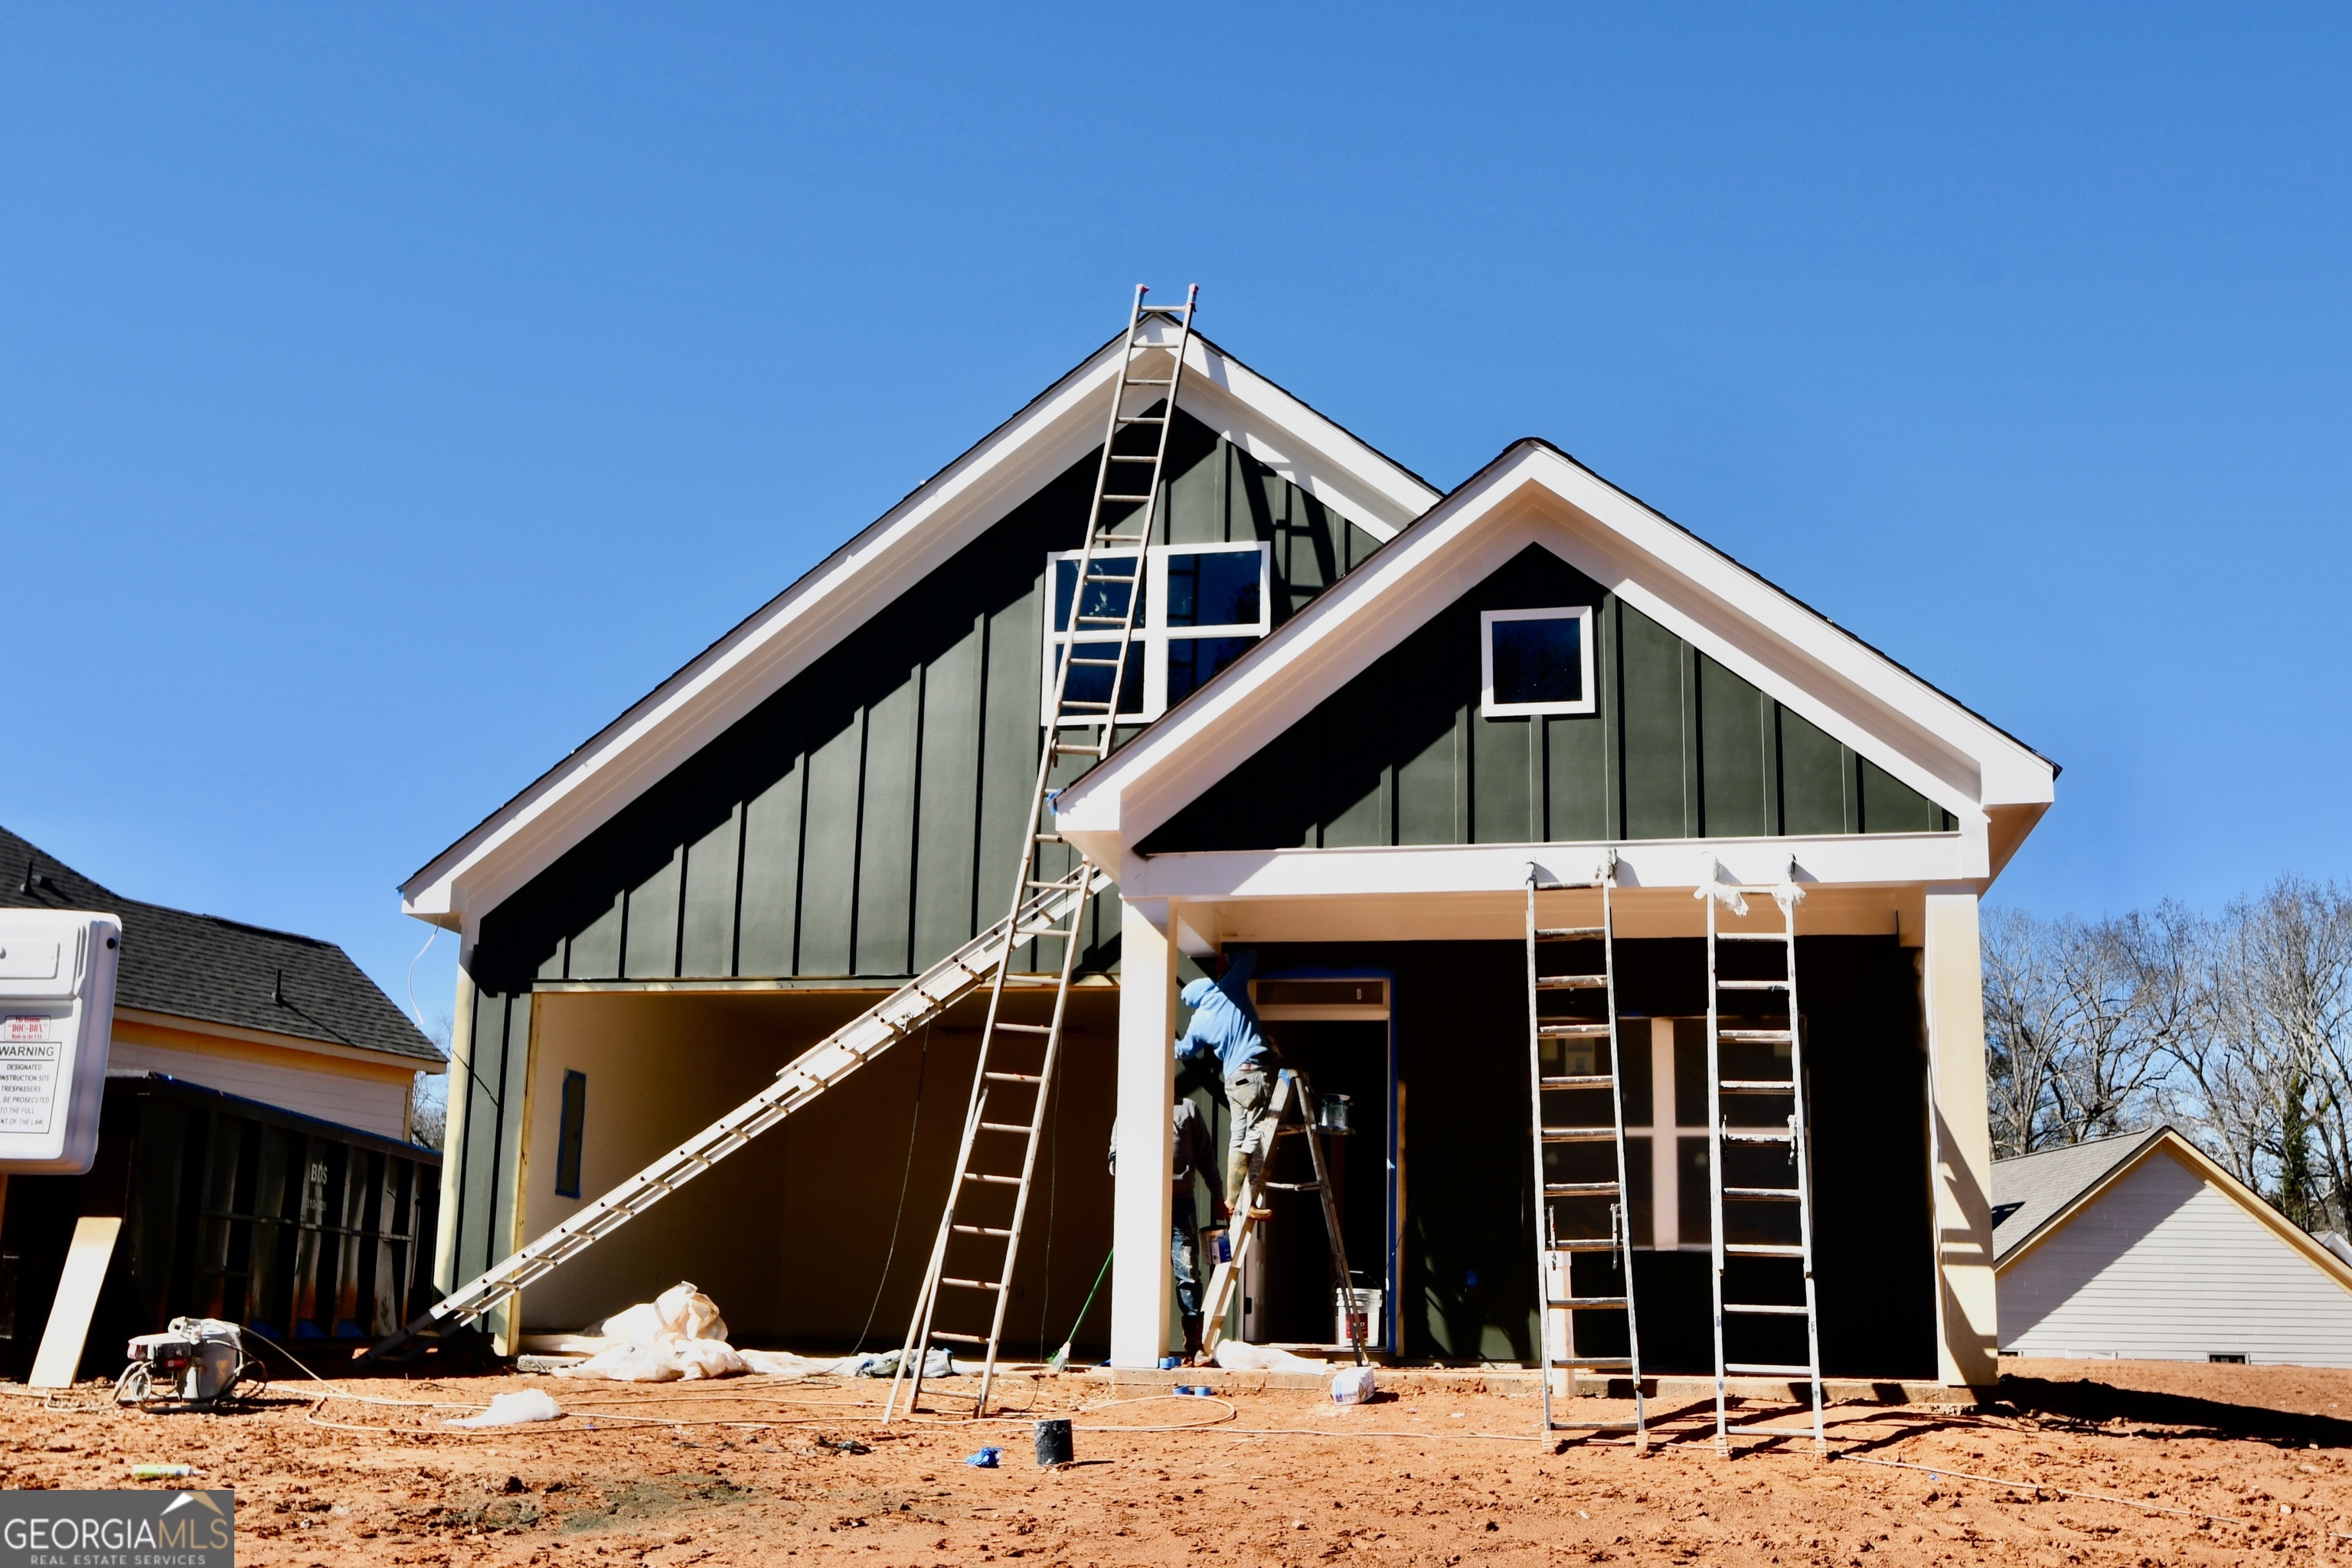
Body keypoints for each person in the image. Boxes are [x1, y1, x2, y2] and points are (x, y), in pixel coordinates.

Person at [1108, 1097, 1225, 1357]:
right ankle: (1137, 1346)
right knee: (1142, 1272)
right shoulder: (1133, 1103)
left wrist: (1217, 1194)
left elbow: (1205, 1155)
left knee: (1188, 1271)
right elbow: (1115, 1156)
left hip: (1180, 1201)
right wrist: (1126, 1171)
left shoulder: (1188, 1109)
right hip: (1144, 1202)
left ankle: (1194, 1346)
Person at [1172, 948, 1277, 1206]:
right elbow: (1250, 956)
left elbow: (1183, 1052)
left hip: (1233, 1081)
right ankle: (1246, 1198)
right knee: (1255, 1133)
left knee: (1238, 1136)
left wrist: (1168, 1039)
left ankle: (1234, 1199)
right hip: (1253, 1074)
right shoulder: (1226, 990)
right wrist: (1227, 959)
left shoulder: (1198, 1022)